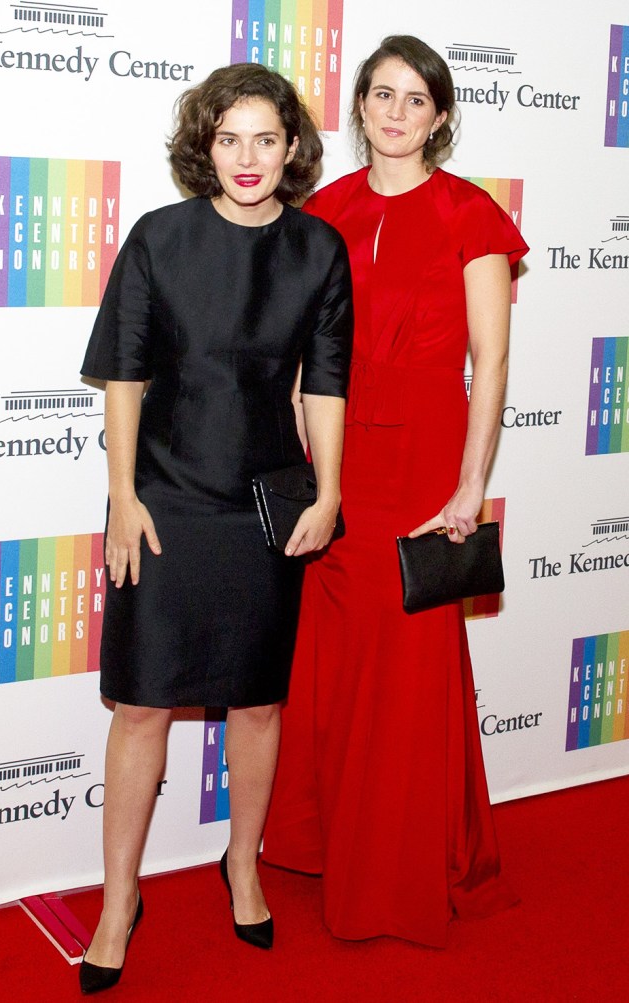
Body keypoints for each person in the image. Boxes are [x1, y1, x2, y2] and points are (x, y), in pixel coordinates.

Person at [78, 63, 352, 993]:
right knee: (143, 704)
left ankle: (242, 862)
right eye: (228, 138)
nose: (247, 157)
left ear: (291, 148)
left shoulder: (319, 250)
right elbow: (123, 372)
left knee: (258, 702)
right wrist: (123, 493)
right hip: (164, 498)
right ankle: (120, 896)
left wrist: (328, 493)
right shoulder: (160, 238)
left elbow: (325, 383)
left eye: (266, 139)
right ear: (204, 144)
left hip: (265, 504)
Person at [263, 35, 529, 947]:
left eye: (417, 99)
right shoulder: (323, 210)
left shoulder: (470, 214)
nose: (397, 112)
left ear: (441, 115)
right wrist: (303, 429)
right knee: (338, 658)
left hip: (424, 460)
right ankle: (329, 840)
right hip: (340, 460)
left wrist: (471, 484)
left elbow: (489, 362)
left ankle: (401, 870)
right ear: (360, 107)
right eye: (383, 94)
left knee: (409, 663)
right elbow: (302, 346)